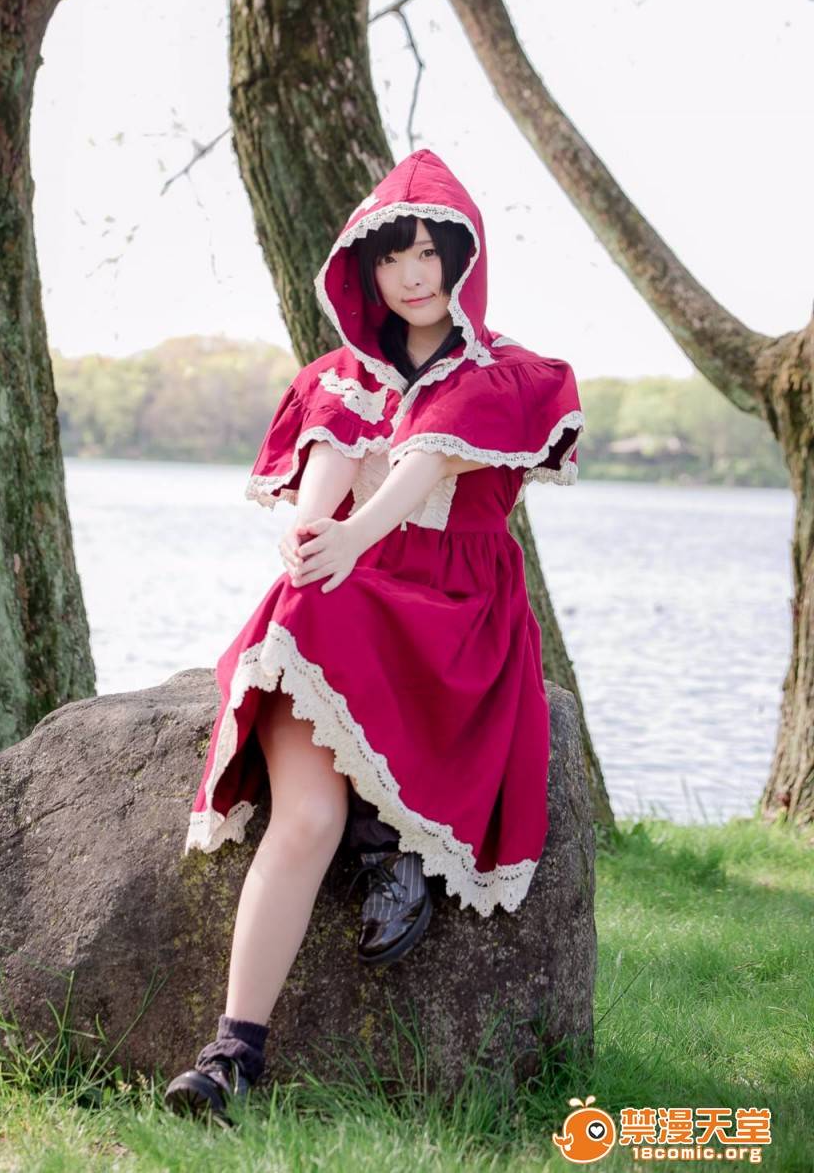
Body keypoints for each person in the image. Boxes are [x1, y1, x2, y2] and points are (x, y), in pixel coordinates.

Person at [164, 147, 583, 1123]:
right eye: (392, 255)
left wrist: (353, 535)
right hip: (347, 605)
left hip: (455, 620)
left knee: (330, 593)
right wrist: (318, 533)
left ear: (462, 259)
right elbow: (331, 479)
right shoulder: (340, 379)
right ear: (367, 267)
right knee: (304, 812)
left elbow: (426, 463)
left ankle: (395, 839)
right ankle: (232, 1055)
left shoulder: (503, 374)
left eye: (430, 251)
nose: (412, 273)